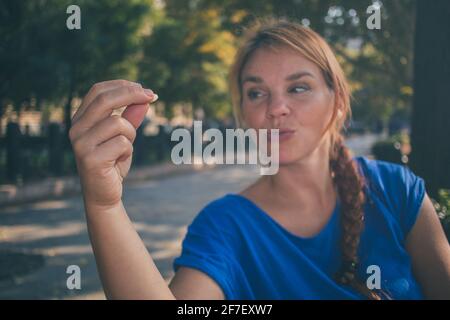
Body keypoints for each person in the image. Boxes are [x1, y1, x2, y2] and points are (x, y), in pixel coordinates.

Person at [69, 18, 450, 299]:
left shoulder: (397, 191)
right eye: (256, 93)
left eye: (298, 87)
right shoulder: (227, 227)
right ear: (244, 114)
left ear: (337, 101)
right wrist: (105, 205)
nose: (276, 108)